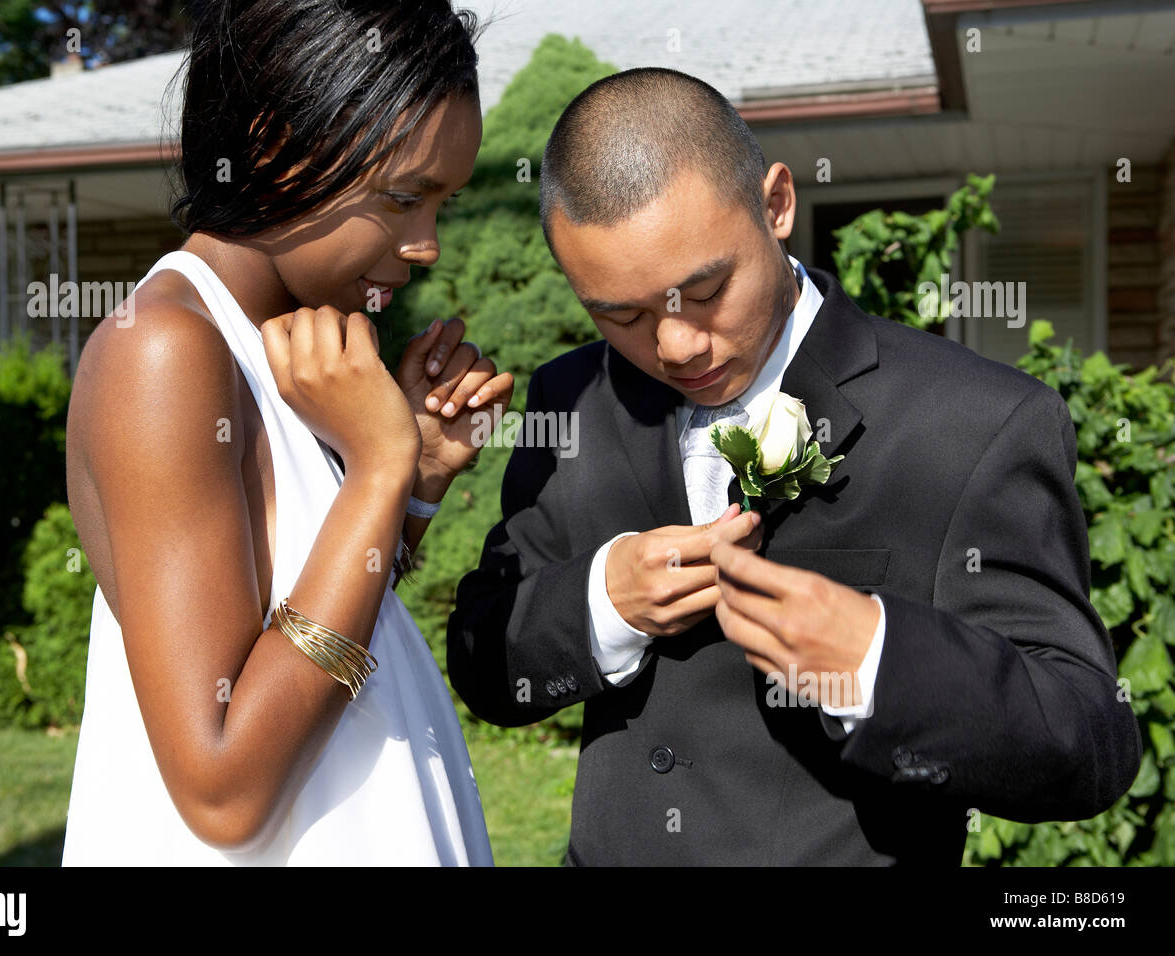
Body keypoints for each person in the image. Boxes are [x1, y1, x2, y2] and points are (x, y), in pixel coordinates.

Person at [445, 67, 1142, 865]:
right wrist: (604, 601)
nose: (674, 346)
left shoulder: (976, 421)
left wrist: (878, 662)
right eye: (620, 314)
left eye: (703, 291)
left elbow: (1087, 740)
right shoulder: (570, 397)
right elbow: (485, 668)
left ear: (777, 205)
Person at [62, 0, 505, 865]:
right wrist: (378, 466)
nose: (428, 247)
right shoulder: (166, 351)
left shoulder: (284, 346)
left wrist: (410, 494)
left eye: (443, 204)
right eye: (405, 198)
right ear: (273, 144)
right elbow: (224, 788)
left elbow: (307, 639)